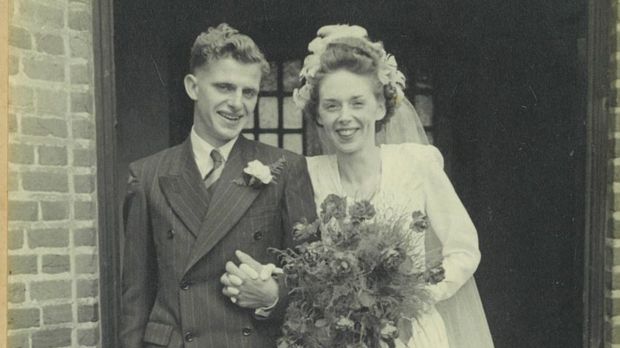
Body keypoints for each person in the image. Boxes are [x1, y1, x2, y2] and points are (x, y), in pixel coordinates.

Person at [222, 25, 494, 347]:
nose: (344, 117)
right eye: (332, 105)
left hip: (411, 333)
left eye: (357, 103)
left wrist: (410, 294)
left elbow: (463, 249)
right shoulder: (306, 174)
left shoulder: (416, 164)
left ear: (379, 107)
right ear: (318, 114)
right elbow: (297, 264)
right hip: (337, 335)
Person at [120, 23, 317, 348]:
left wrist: (272, 296)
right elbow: (135, 297)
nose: (237, 103)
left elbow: (313, 279)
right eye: (224, 87)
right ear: (193, 87)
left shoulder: (285, 169)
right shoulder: (147, 176)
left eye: (248, 92)